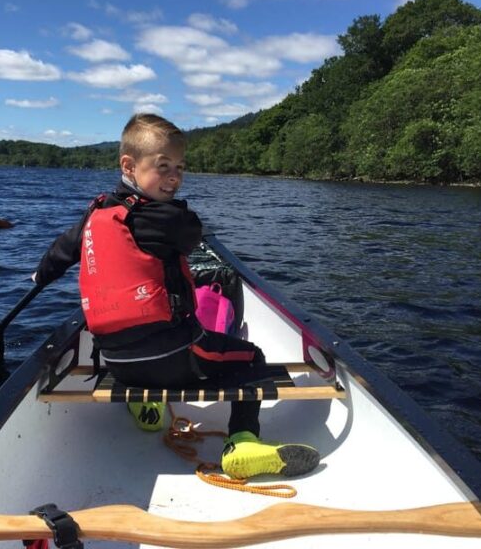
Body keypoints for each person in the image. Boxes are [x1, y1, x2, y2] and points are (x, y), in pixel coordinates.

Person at [32, 113, 319, 481]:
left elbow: (59, 253)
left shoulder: (97, 213)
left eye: (180, 168)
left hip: (117, 364)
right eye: (163, 166)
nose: (174, 177)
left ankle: (148, 409)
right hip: (174, 358)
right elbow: (191, 234)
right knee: (252, 356)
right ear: (129, 166)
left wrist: (40, 276)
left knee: (150, 343)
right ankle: (243, 442)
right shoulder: (167, 218)